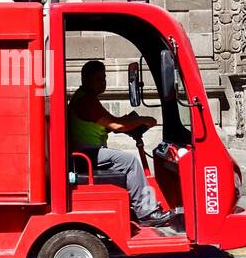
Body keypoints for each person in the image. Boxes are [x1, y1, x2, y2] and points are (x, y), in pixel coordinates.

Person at [68, 60, 172, 227]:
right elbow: (117, 125)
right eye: (98, 79)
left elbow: (109, 124)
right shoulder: (87, 101)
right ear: (86, 79)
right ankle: (148, 212)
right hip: (87, 154)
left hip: (89, 152)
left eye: (104, 78)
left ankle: (136, 203)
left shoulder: (86, 98)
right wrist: (141, 119)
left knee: (123, 162)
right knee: (130, 162)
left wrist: (129, 121)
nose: (103, 83)